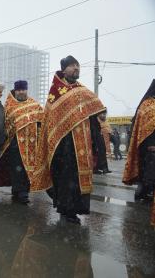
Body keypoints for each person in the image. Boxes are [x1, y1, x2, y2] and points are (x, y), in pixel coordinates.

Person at [31, 55, 105, 224]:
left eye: (77, 66)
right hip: (63, 146)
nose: (76, 69)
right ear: (64, 69)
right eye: (72, 66)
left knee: (79, 179)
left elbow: (93, 119)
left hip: (83, 144)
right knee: (66, 179)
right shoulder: (56, 92)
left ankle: (76, 209)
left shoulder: (84, 92)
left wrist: (97, 143)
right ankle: (66, 210)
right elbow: (50, 121)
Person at [0, 80, 44, 204]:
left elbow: (42, 123)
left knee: (28, 169)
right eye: (19, 90)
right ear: (15, 91)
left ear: (27, 90)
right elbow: (4, 125)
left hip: (32, 144)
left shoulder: (35, 105)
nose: (21, 92)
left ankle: (23, 192)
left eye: (23, 89)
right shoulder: (9, 106)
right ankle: (18, 191)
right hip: (14, 144)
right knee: (16, 169)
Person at [123, 79, 155, 223]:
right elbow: (143, 129)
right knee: (147, 175)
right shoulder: (147, 105)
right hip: (148, 148)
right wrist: (150, 144)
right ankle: (142, 197)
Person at [95, 110, 112, 174]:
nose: (104, 115)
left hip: (104, 140)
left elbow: (109, 129)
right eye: (102, 114)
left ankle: (105, 168)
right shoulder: (97, 121)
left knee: (103, 155)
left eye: (105, 114)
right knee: (99, 155)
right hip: (99, 140)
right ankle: (98, 168)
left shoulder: (105, 121)